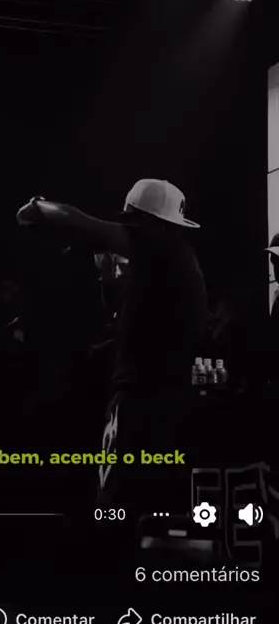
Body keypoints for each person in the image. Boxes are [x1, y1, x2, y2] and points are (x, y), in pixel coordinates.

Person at [17, 179, 208, 518]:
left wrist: (38, 206)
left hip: (144, 402)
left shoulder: (161, 248)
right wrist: (107, 277)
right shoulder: (170, 264)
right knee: (148, 509)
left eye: (131, 222)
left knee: (118, 505)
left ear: (149, 223)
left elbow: (83, 224)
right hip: (162, 402)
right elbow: (132, 320)